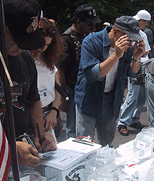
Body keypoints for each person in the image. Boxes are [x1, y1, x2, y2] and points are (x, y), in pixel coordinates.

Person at [0, 0, 57, 167]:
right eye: (16, 40)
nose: (22, 48)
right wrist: (8, 149)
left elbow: (33, 100)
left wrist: (39, 133)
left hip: (23, 153)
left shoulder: (25, 58)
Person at [74, 16, 145, 146]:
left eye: (133, 39)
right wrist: (116, 55)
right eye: (128, 38)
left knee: (107, 143)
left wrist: (136, 58)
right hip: (89, 97)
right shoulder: (91, 41)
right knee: (84, 144)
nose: (130, 43)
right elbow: (93, 74)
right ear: (116, 32)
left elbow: (132, 73)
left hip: (111, 99)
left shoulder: (128, 49)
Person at [57, 5, 101, 139]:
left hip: (86, 86)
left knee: (85, 124)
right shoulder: (67, 39)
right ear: (78, 21)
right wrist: (64, 96)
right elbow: (60, 71)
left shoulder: (87, 36)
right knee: (73, 127)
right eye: (89, 23)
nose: (92, 27)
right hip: (72, 87)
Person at [29, 17, 65, 140]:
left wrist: (54, 111)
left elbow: (58, 87)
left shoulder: (48, 59)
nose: (43, 49)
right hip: (33, 114)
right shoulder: (26, 60)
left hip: (50, 112)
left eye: (48, 45)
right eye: (41, 44)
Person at [117, 10, 151, 136]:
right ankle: (123, 122)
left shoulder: (143, 34)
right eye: (146, 22)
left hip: (144, 65)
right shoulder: (128, 34)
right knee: (133, 94)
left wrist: (143, 52)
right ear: (142, 20)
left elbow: (146, 50)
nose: (146, 25)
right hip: (135, 64)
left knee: (142, 95)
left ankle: (135, 119)